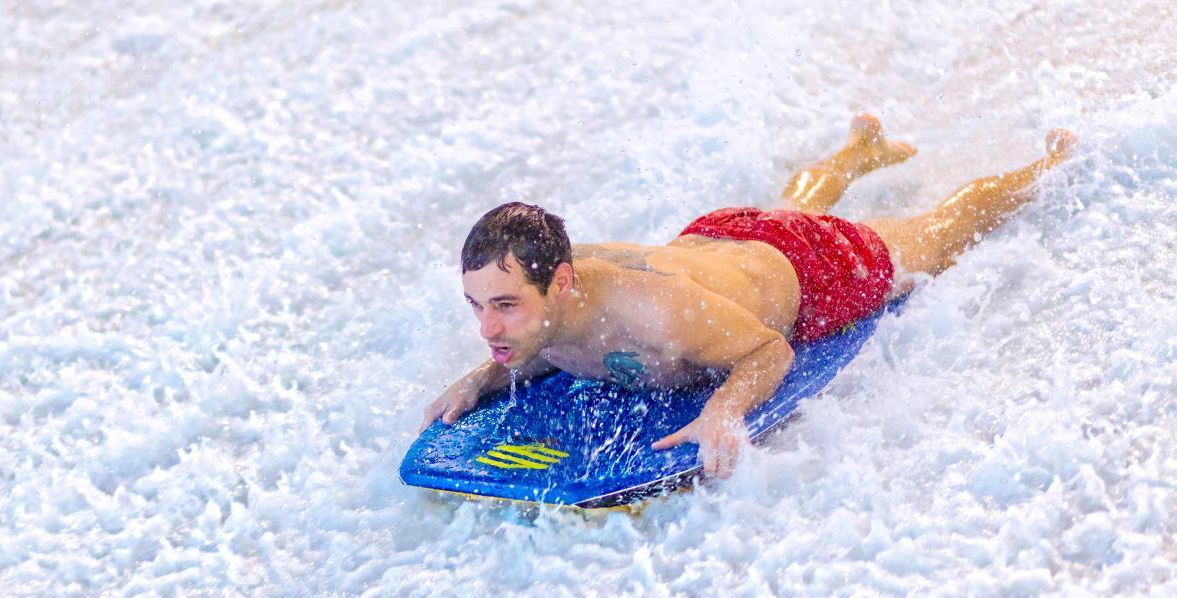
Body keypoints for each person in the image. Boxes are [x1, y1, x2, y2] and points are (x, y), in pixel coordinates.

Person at [421, 114, 1076, 477]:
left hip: (807, 269)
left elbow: (768, 351)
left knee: (936, 235)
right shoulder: (548, 294)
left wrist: (725, 410)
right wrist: (480, 380)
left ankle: (1051, 167)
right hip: (716, 240)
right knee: (788, 206)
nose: (489, 326)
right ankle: (857, 151)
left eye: (504, 307)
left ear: (559, 282)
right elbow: (538, 338)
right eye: (478, 305)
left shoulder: (658, 316)